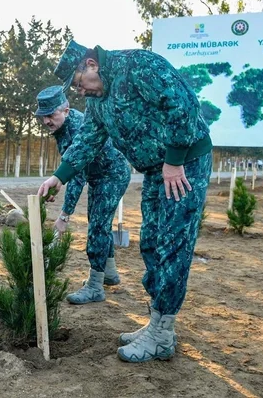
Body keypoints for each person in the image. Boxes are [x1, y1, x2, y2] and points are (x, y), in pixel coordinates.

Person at [37, 40, 212, 363]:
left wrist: (174, 160)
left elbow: (183, 105)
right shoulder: (99, 102)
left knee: (172, 246)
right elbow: (88, 139)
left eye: (78, 84)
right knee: (151, 243)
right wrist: (59, 176)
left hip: (185, 166)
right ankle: (158, 325)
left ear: (91, 64)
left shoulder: (139, 66)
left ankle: (161, 336)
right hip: (156, 171)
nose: (81, 92)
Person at [35, 86, 130, 304]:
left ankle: (95, 286)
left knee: (96, 226)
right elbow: (71, 168)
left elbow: (77, 174)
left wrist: (64, 217)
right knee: (100, 223)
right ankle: (110, 273)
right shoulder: (61, 128)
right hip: (98, 175)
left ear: (66, 110)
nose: (47, 121)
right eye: (43, 117)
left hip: (111, 173)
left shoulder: (77, 126)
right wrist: (59, 181)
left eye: (52, 115)